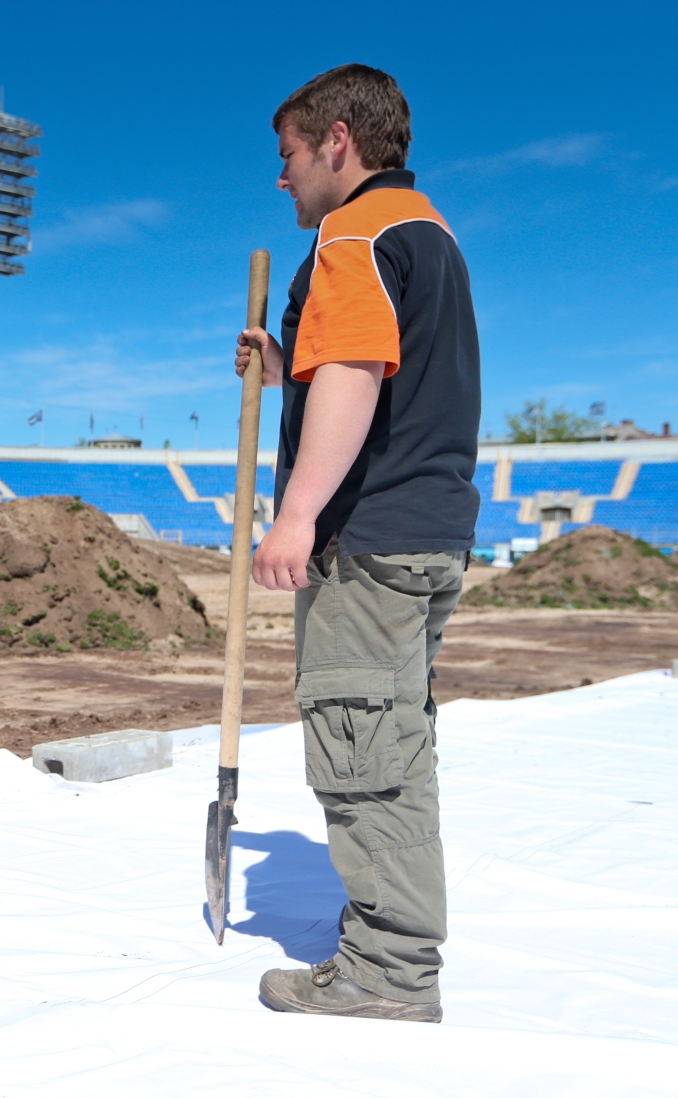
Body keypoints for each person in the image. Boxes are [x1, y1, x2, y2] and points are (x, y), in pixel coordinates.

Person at [234, 63, 480, 1023]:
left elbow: (353, 371)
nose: (281, 176)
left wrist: (297, 514)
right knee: (393, 745)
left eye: (289, 153)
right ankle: (395, 945)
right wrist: (285, 365)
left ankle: (388, 972)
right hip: (429, 534)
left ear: (337, 140)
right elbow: (379, 369)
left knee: (363, 756)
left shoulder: (353, 231)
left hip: (370, 541)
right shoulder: (426, 230)